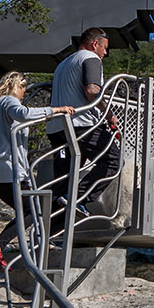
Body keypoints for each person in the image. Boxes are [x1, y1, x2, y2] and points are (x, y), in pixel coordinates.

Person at [0, 71, 75, 300]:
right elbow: (22, 114)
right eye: (24, 89)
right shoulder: (8, 101)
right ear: (17, 87)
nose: (24, 94)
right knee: (34, 210)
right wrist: (56, 110)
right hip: (2, 171)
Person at [47, 27, 121, 231]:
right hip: (81, 124)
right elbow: (92, 90)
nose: (105, 53)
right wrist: (109, 114)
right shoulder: (90, 58)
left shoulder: (63, 64)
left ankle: (50, 237)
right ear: (95, 43)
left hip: (56, 128)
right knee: (113, 160)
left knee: (63, 182)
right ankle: (77, 198)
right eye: (105, 48)